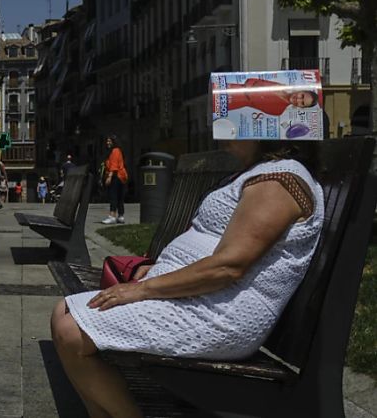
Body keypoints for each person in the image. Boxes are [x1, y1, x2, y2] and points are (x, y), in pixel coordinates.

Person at [50, 139, 323, 417]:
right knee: (64, 311)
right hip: (201, 298)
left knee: (71, 332)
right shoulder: (260, 172)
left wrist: (143, 290)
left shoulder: (279, 180)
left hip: (220, 313)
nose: (218, 122)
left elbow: (229, 266)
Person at [224, 77, 318, 116]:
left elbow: (255, 101)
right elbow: (251, 80)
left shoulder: (278, 111)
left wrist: (252, 89)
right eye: (302, 96)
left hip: (234, 102)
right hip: (232, 87)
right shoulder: (280, 85)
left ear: (301, 107)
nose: (298, 100)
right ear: (301, 90)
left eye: (302, 103)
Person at [101, 135, 128, 224]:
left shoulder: (115, 151)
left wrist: (109, 177)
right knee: (120, 197)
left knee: (113, 196)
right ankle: (120, 216)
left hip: (116, 176)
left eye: (109, 141)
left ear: (114, 142)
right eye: (107, 141)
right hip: (121, 177)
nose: (107, 143)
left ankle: (112, 216)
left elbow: (114, 165)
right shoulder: (118, 151)